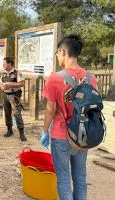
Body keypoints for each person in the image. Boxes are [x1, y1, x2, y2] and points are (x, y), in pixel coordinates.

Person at [42, 35, 98, 200]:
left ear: (63, 52)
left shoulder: (55, 78)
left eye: (57, 53)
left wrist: (45, 131)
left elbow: (50, 109)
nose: (57, 57)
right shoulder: (90, 78)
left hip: (61, 135)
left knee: (64, 179)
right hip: (83, 134)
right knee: (80, 178)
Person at [0, 57, 27, 141]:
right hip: (5, 95)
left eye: (4, 63)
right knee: (7, 113)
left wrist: (10, 85)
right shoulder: (3, 73)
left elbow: (22, 84)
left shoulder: (17, 72)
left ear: (10, 64)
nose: (3, 65)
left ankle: (21, 132)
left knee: (17, 113)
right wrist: (2, 87)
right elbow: (0, 83)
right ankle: (9, 130)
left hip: (14, 95)